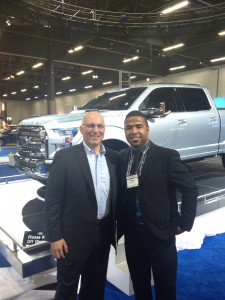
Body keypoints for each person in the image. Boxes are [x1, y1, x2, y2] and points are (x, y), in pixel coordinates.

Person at [118, 110, 198, 300]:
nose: (134, 131)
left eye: (138, 126)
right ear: (125, 131)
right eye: (129, 127)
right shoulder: (121, 157)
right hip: (133, 235)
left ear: (147, 129)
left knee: (165, 287)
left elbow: (190, 189)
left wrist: (184, 223)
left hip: (161, 233)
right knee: (140, 285)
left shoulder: (166, 156)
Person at [45, 111, 118, 300]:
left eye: (100, 126)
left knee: (95, 288)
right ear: (81, 129)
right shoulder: (65, 157)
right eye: (90, 126)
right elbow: (53, 200)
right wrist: (55, 237)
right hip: (70, 239)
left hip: (102, 236)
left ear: (104, 129)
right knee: (66, 290)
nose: (95, 130)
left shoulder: (113, 157)